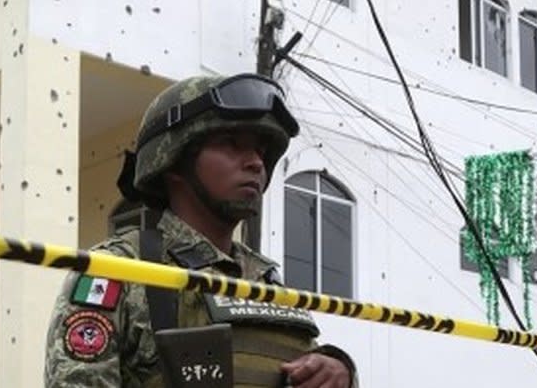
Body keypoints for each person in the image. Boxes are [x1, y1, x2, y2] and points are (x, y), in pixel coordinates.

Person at [45, 73, 356, 387]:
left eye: (261, 151)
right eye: (231, 144)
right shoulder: (119, 271)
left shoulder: (265, 280)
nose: (255, 163)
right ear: (175, 160)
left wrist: (339, 371)